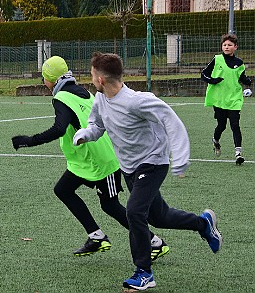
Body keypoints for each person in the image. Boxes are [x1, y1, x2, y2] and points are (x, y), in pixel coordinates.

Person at [73, 52, 222, 291]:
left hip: (153, 163)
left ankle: (143, 272)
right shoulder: (101, 99)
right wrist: (84, 135)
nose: (90, 80)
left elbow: (171, 121)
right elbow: (97, 125)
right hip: (130, 168)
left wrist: (180, 159)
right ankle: (203, 224)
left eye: (92, 75)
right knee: (158, 217)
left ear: (100, 79)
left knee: (134, 212)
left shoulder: (137, 100)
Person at [11, 56, 169, 259]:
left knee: (110, 206)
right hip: (85, 161)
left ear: (52, 79)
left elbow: (59, 129)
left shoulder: (61, 98)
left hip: (102, 160)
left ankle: (154, 242)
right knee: (63, 190)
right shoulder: (82, 91)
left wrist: (29, 140)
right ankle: (96, 236)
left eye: (45, 77)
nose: (44, 82)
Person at [202, 33, 252, 165]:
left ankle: (238, 153)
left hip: (234, 98)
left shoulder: (239, 63)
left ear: (235, 47)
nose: (226, 47)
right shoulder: (217, 59)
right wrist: (213, 80)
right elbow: (204, 74)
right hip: (219, 99)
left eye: (229, 45)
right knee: (222, 125)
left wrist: (247, 81)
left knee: (235, 125)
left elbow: (241, 77)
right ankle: (216, 141)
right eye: (224, 45)